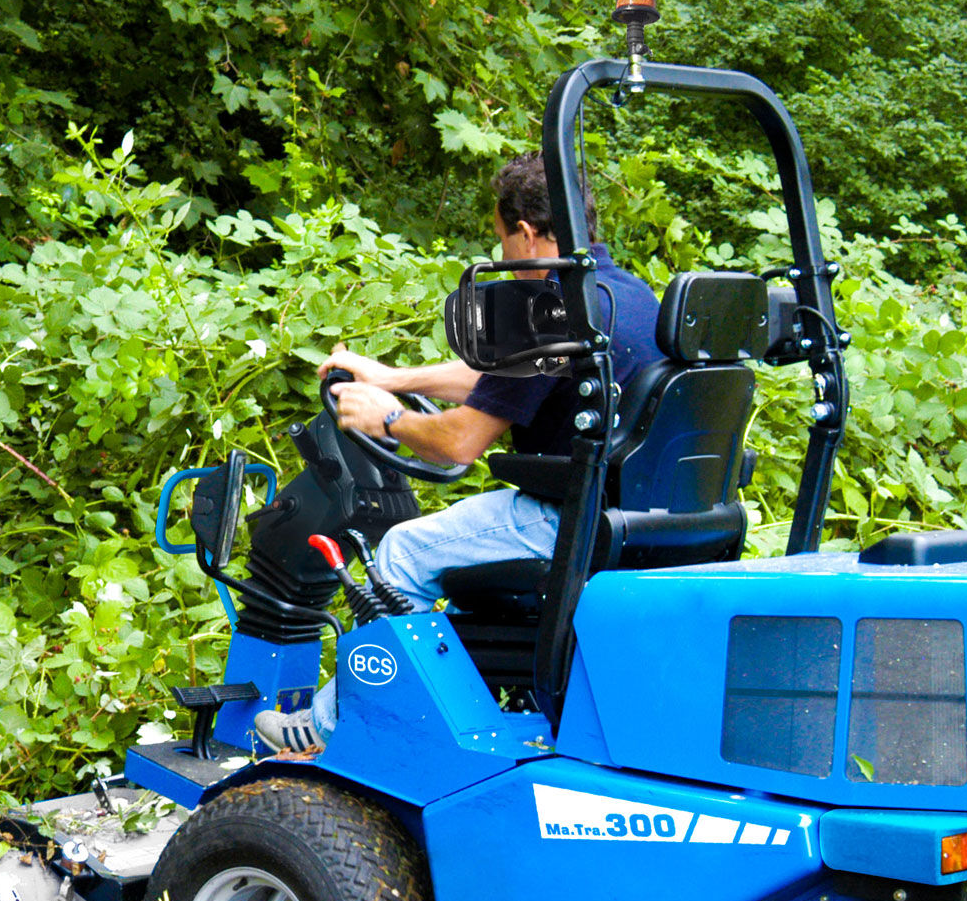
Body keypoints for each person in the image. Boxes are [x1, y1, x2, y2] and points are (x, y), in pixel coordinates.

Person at [253, 153, 663, 754]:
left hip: (570, 520)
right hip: (637, 518)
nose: (500, 254)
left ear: (524, 233)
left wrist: (386, 418)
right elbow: (498, 380)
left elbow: (459, 444)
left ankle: (334, 731)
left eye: (500, 240)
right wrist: (393, 377)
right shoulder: (620, 295)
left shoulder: (554, 308)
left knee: (400, 552)